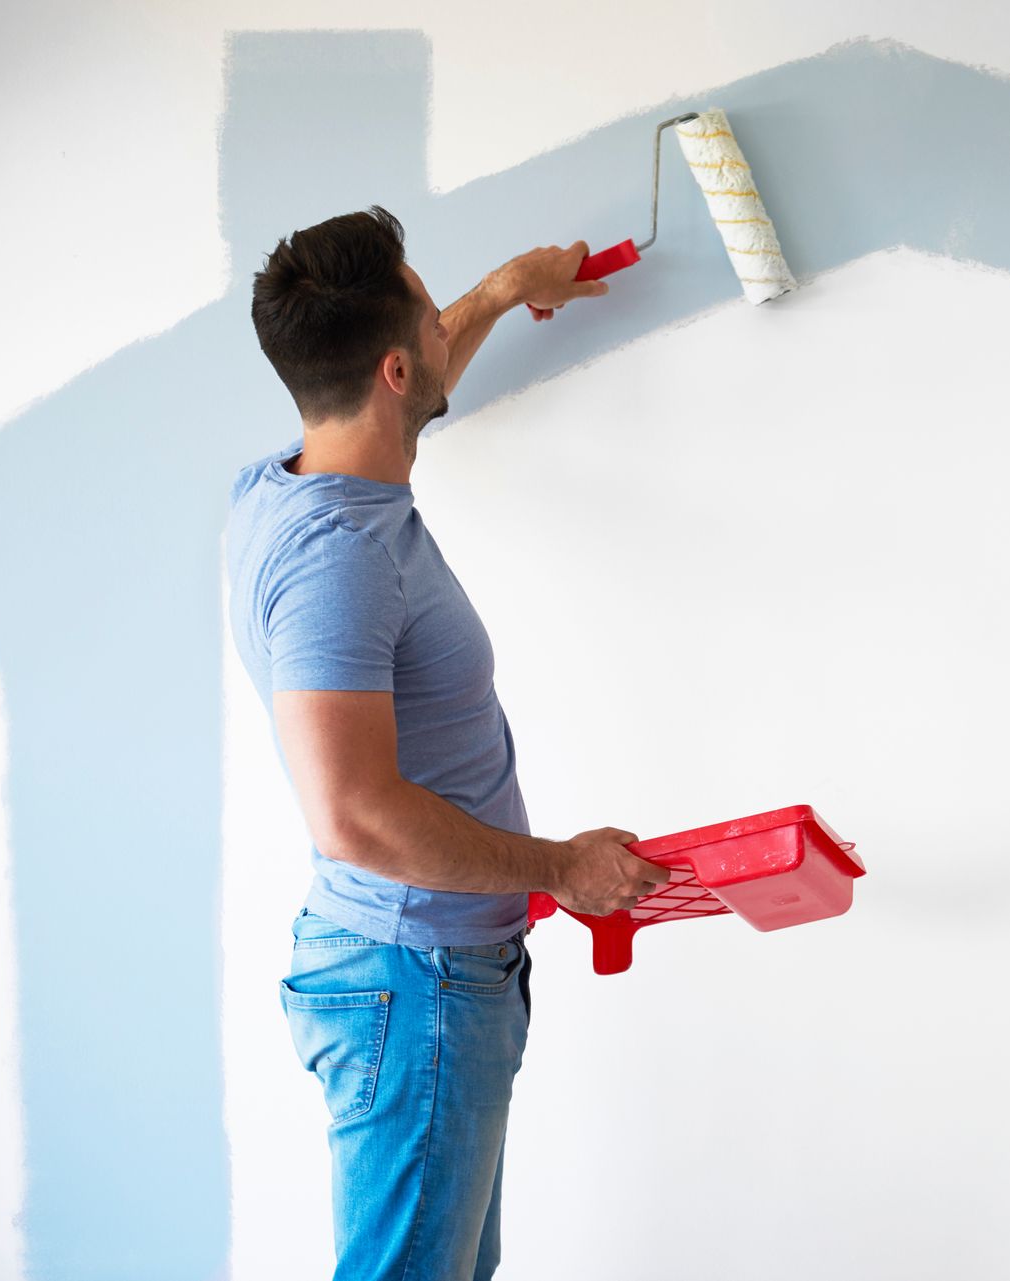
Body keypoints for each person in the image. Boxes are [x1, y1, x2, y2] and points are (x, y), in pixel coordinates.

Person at [226, 206, 670, 1280]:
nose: (443, 328)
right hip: (413, 978)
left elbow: (417, 378)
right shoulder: (339, 558)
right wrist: (562, 868)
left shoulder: (283, 479)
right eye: (431, 317)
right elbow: (356, 813)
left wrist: (508, 287)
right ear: (390, 368)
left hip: (418, 971)